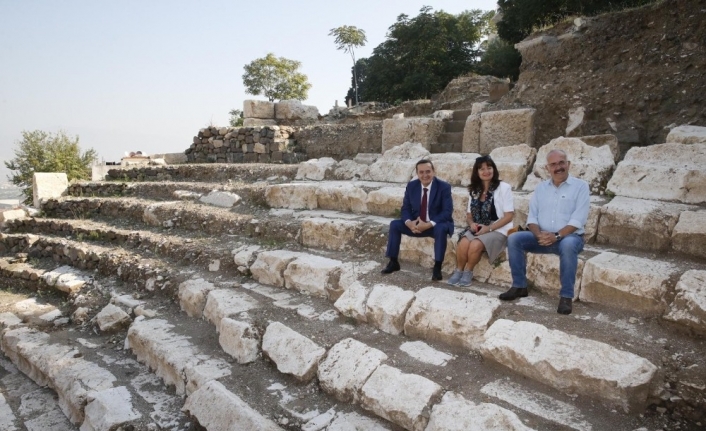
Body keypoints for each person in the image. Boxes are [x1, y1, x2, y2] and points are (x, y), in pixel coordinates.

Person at [499, 149, 590, 315]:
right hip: (542, 237)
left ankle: (566, 297)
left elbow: (578, 220)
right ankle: (519, 286)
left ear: (568, 164)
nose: (558, 167)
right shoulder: (540, 189)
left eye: (561, 163)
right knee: (514, 238)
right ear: (547, 168)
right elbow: (532, 219)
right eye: (553, 164)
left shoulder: (581, 187)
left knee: (569, 245)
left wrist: (556, 236)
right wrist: (539, 234)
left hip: (569, 237)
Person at [381, 159, 455, 281]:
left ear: (434, 172)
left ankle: (437, 267)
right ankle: (393, 262)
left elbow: (447, 211)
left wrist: (428, 224)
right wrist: (409, 223)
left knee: (441, 229)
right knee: (394, 224)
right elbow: (405, 208)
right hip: (416, 225)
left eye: (428, 171)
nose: (425, 175)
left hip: (434, 225)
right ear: (417, 173)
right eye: (421, 172)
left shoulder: (443, 187)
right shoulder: (412, 186)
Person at [447, 156, 514, 287]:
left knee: (475, 245)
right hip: (478, 227)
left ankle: (468, 271)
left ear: (493, 169)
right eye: (482, 169)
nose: (486, 171)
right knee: (464, 243)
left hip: (497, 228)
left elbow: (509, 216)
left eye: (489, 168)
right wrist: (472, 224)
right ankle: (459, 270)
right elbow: (469, 215)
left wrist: (488, 228)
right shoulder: (474, 190)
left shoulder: (504, 188)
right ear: (477, 172)